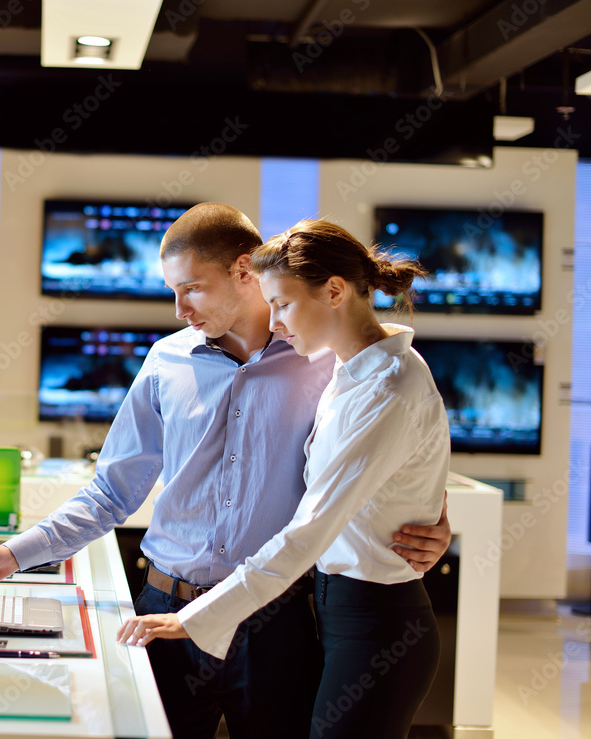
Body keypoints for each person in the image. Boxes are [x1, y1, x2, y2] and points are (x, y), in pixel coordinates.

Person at [0, 204, 451, 739]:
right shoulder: (165, 361)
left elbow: (404, 443)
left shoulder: (330, 355)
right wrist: (10, 557)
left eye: (191, 288)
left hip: (276, 626)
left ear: (243, 271)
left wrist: (433, 517)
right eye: (172, 291)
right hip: (165, 612)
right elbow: (111, 492)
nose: (178, 308)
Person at [116, 219, 450, 739]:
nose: (273, 322)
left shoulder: (385, 383)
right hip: (334, 608)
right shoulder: (347, 368)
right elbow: (393, 468)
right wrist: (430, 507)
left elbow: (311, 528)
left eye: (284, 305)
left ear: (334, 291)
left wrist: (195, 618)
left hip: (371, 619)